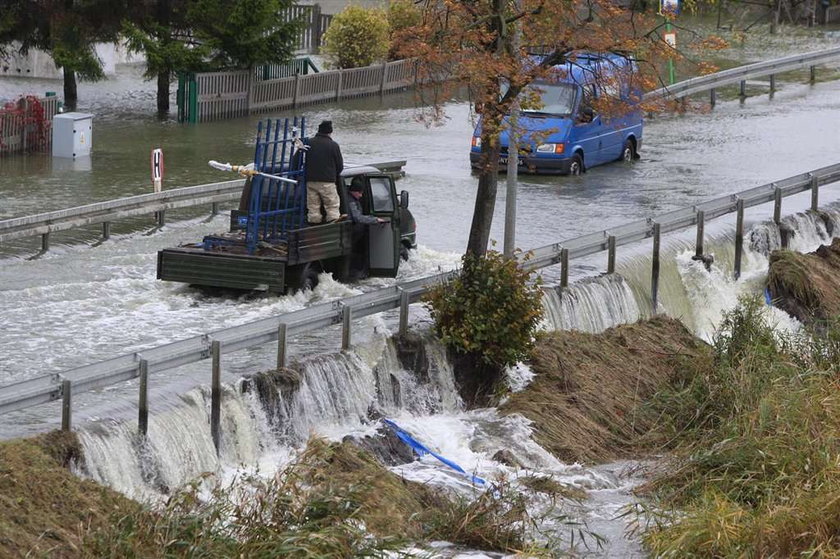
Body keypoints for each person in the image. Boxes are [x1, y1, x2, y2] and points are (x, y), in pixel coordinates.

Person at [304, 120, 343, 224]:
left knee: (313, 205)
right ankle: (333, 223)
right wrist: (334, 175)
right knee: (331, 205)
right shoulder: (333, 145)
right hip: (327, 181)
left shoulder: (308, 143)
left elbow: (296, 159)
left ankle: (314, 222)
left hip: (310, 180)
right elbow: (340, 165)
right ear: (330, 132)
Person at [346, 177, 385, 280]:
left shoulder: (350, 197)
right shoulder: (351, 202)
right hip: (352, 232)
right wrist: (375, 220)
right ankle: (355, 272)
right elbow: (357, 217)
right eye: (359, 193)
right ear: (353, 191)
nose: (361, 195)